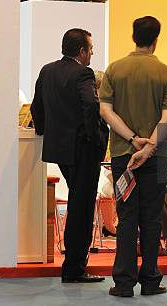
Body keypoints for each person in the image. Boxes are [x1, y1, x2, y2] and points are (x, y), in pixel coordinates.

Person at [100, 16, 167, 297]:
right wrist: (149, 147)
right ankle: (150, 280)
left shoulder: (115, 70)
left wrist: (133, 140)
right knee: (152, 218)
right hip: (155, 157)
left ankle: (123, 283)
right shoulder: (165, 73)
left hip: (124, 156)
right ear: (156, 39)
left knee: (127, 216)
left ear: (133, 36)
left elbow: (106, 112)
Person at [31, 29, 109, 283]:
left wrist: (44, 132)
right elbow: (90, 105)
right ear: (82, 51)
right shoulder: (83, 73)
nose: (92, 54)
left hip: (59, 149)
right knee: (82, 208)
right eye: (91, 50)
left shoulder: (47, 70)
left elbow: (36, 107)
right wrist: (96, 137)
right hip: (83, 148)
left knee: (77, 203)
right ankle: (75, 267)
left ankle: (74, 265)